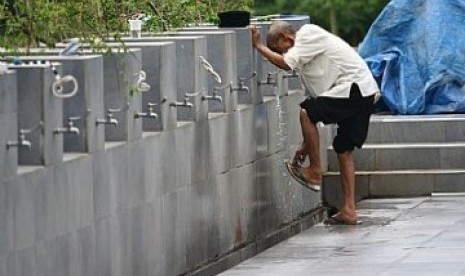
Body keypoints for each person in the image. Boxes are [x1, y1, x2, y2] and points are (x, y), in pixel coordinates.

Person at [250, 21, 379, 225]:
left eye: (278, 49)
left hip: (353, 88)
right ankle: (349, 210)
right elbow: (316, 109)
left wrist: (259, 46)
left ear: (286, 38)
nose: (280, 54)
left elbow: (286, 64)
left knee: (305, 111)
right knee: (343, 148)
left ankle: (315, 172)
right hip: (362, 92)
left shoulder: (308, 34)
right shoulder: (306, 59)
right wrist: (306, 147)